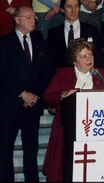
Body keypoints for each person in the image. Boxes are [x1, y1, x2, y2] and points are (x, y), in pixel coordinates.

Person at [42, 38, 104, 181]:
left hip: (96, 133)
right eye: (83, 56)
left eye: (90, 55)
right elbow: (48, 96)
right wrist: (64, 94)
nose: (89, 59)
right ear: (74, 60)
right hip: (66, 132)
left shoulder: (102, 74)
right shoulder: (63, 74)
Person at [0, 6, 53, 181]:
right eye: (29, 17)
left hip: (33, 104)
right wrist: (22, 93)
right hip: (10, 105)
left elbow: (46, 70)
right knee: (5, 149)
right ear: (17, 20)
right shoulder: (4, 42)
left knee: (32, 148)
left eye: (34, 18)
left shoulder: (39, 40)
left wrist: (34, 95)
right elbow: (2, 73)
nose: (33, 20)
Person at [47, 0, 104, 70]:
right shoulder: (53, 33)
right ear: (62, 9)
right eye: (69, 7)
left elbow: (99, 59)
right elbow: (50, 63)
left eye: (76, 6)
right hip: (63, 77)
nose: (73, 10)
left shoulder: (92, 31)